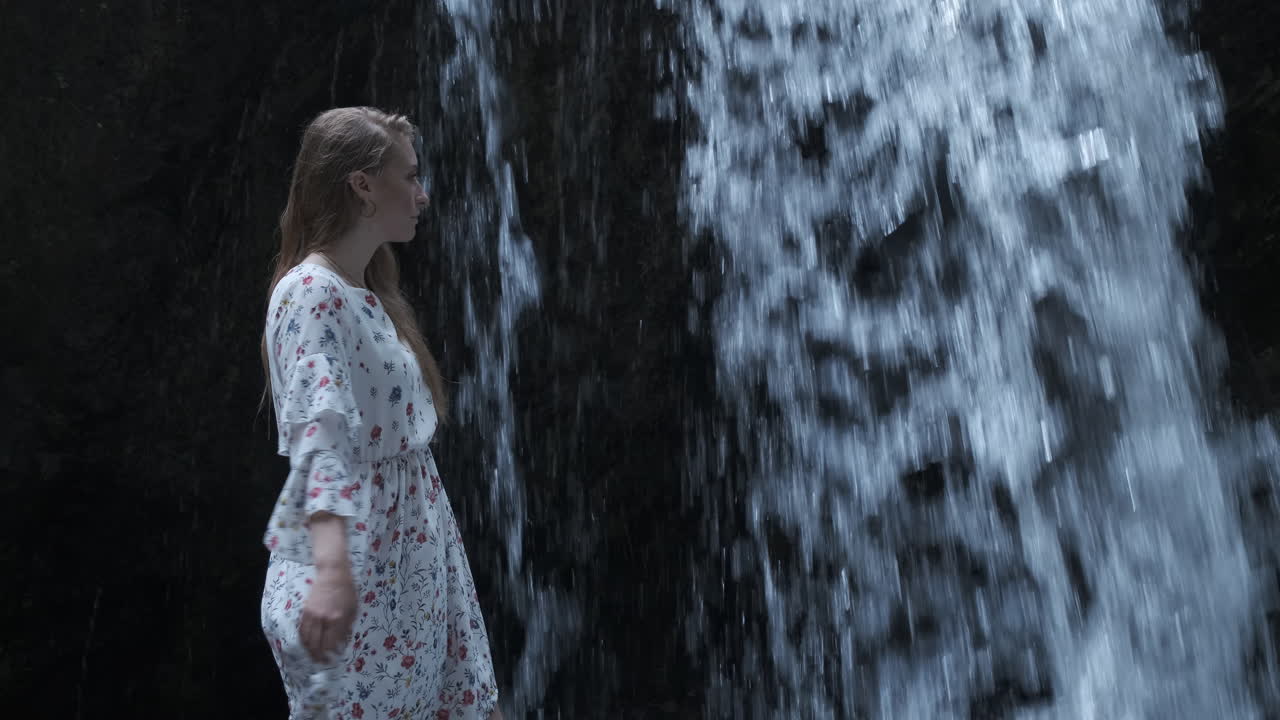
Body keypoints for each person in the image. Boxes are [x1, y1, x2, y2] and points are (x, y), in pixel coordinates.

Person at [258, 106, 502, 720]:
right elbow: (320, 431)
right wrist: (334, 569)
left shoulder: (364, 291)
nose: (422, 195)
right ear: (362, 185)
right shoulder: (310, 291)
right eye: (410, 176)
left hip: (413, 558)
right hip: (364, 571)